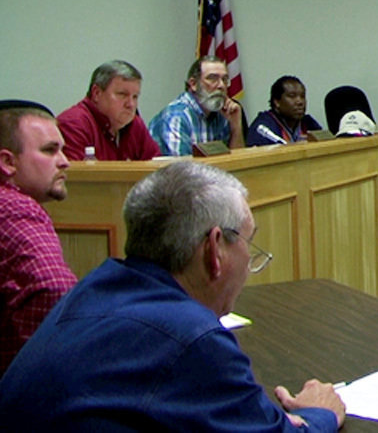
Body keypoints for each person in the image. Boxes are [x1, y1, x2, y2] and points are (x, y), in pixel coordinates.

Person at [0, 161, 345, 431]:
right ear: (215, 249)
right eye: (248, 241)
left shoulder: (94, 287)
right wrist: (320, 413)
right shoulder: (191, 338)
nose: (250, 259)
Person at [0, 100, 78, 375]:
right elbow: (55, 292)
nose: (64, 161)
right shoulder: (15, 209)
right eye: (50, 150)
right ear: (7, 162)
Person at [57, 60, 161, 161]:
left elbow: (159, 171)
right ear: (96, 93)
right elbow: (73, 177)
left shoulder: (134, 124)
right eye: (122, 94)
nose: (131, 104)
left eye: (135, 97)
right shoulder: (73, 124)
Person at [148, 56, 245, 156]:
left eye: (224, 79)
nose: (221, 85)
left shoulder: (221, 114)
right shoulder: (176, 116)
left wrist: (236, 127)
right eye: (212, 78)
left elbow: (237, 163)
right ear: (193, 84)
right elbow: (180, 169)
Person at [247, 75, 323, 146]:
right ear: (277, 102)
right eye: (292, 96)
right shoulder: (263, 127)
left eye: (302, 96)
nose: (300, 102)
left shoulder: (308, 122)